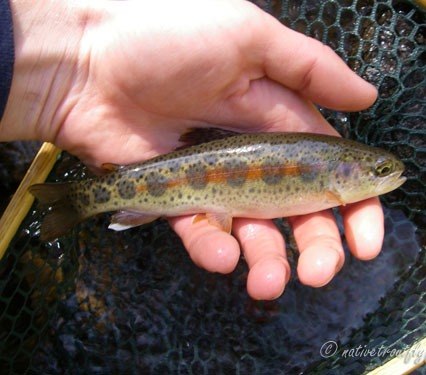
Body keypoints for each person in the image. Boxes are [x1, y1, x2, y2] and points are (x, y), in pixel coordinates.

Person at [0, 0, 383, 300]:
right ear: (345, 170)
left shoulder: (324, 165)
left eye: (380, 171)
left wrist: (71, 61)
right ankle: (81, 200)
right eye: (379, 172)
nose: (385, 177)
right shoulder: (323, 173)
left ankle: (84, 200)